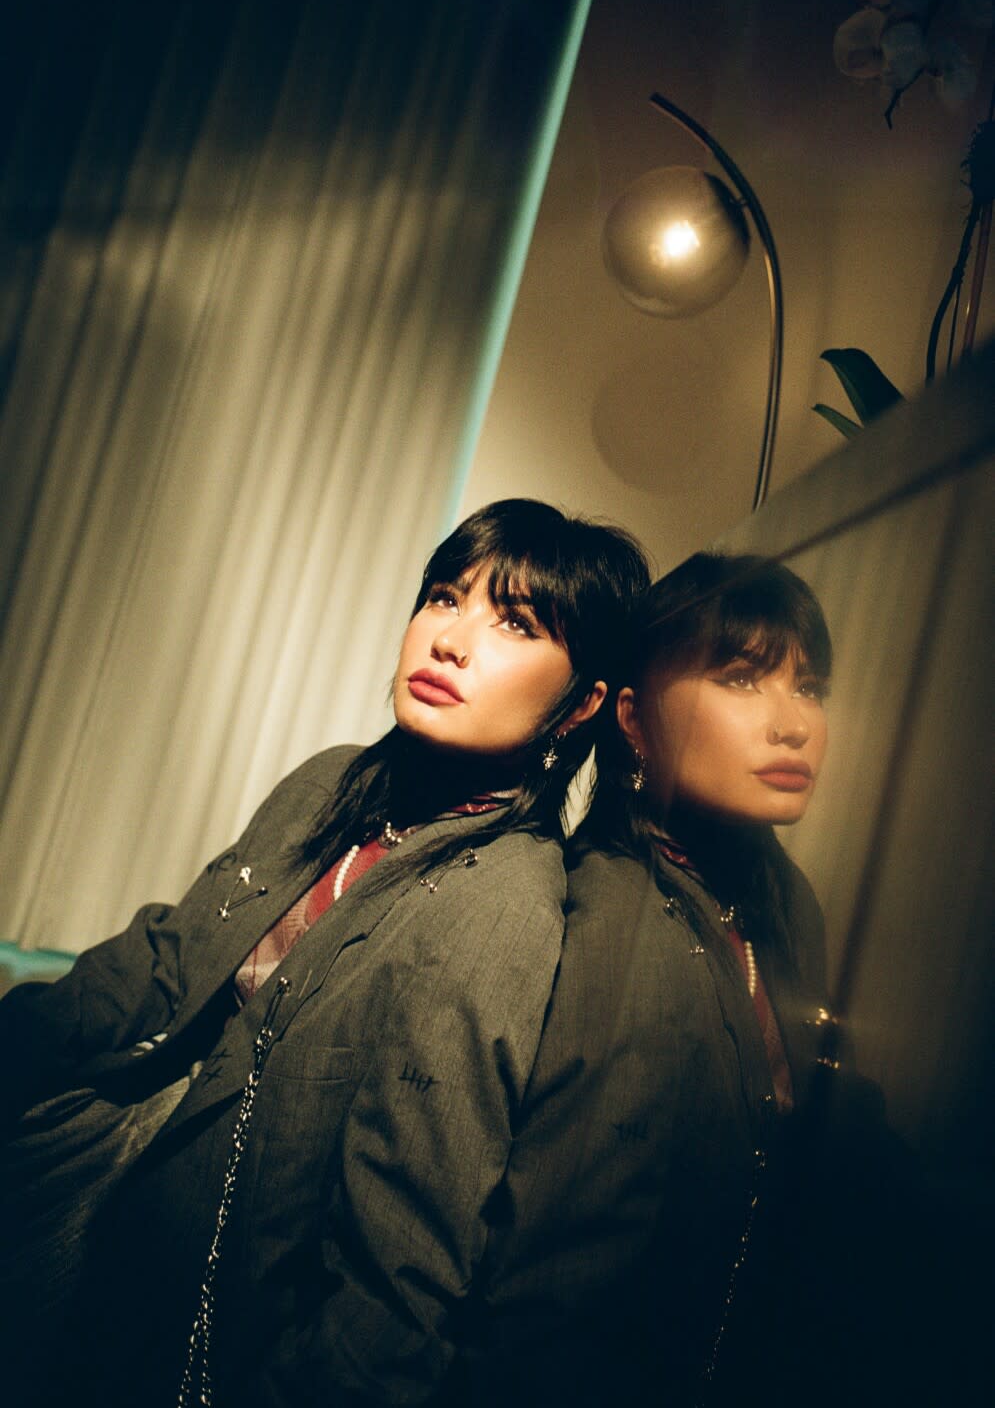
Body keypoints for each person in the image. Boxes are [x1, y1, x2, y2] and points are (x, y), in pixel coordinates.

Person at [0, 497, 649, 1408]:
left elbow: (396, 1279)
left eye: (514, 623)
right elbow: (170, 959)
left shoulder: (502, 904)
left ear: (580, 703)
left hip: (212, 1344)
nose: (451, 640)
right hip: (92, 1243)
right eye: (442, 597)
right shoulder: (333, 782)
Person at [466, 550, 839, 1406]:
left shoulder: (782, 902)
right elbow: (550, 1290)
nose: (792, 724)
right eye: (742, 680)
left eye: (808, 686)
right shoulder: (612, 920)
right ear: (631, 720)